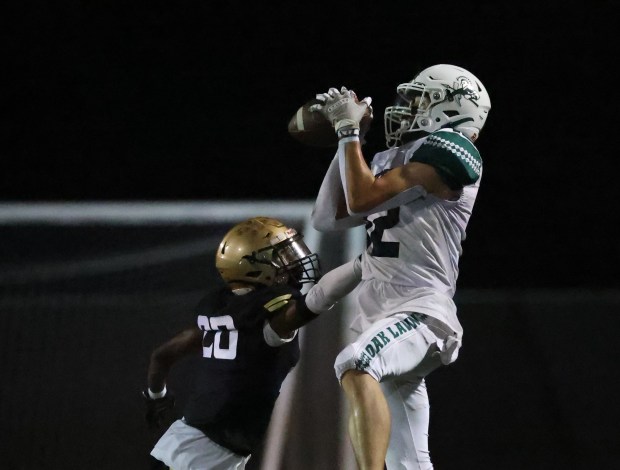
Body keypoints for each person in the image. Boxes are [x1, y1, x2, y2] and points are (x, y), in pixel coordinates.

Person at [309, 64, 492, 470]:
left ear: (452, 109)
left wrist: (347, 132)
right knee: (412, 462)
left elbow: (359, 200)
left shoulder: (452, 149)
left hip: (421, 311)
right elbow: (329, 217)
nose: (404, 109)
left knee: (356, 363)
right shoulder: (391, 158)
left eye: (418, 101)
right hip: (384, 315)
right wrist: (346, 142)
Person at [142, 216, 361, 470]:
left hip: (184, 444)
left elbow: (162, 355)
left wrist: (156, 395)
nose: (293, 262)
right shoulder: (269, 322)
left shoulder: (223, 318)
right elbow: (316, 300)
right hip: (205, 457)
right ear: (253, 266)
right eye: (282, 256)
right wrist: (362, 264)